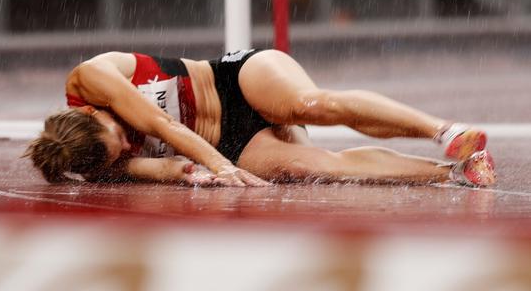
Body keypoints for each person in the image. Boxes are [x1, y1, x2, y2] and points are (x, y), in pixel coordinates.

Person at [24, 49, 495, 187]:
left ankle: (444, 130)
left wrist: (223, 169)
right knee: (310, 167)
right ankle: (454, 172)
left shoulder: (90, 79)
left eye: (121, 135)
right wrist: (198, 173)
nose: (130, 145)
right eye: (119, 155)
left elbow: (164, 129)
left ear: (90, 111)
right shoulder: (97, 161)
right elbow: (165, 165)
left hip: (236, 80)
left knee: (314, 105)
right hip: (232, 144)